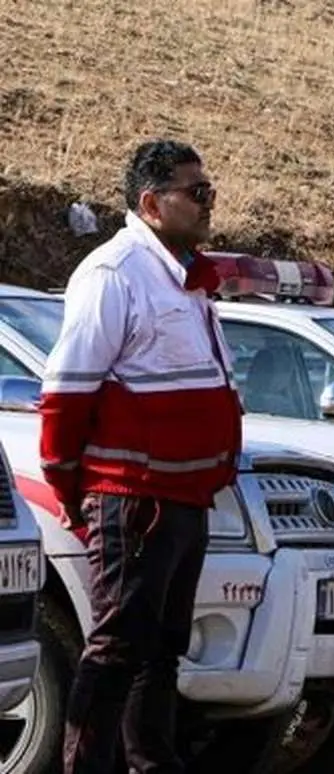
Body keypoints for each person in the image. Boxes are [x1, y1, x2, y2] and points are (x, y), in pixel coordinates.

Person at [40, 139, 242, 773]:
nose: (210, 203)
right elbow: (67, 393)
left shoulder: (185, 277)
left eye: (209, 191)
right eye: (197, 193)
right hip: (135, 499)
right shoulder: (114, 272)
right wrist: (78, 492)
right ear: (152, 203)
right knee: (119, 646)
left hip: (184, 497)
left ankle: (150, 763)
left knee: (162, 650)